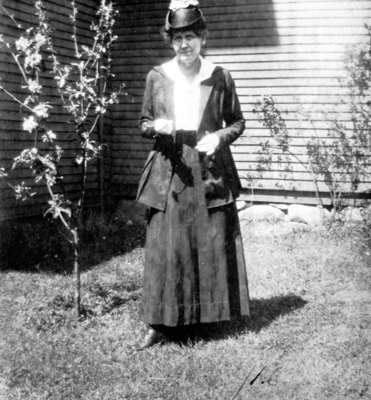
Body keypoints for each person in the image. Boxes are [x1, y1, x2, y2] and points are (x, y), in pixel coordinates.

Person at [135, 0, 250, 349]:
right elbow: (142, 124)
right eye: (177, 38)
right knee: (167, 246)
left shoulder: (219, 76)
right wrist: (156, 125)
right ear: (170, 41)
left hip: (209, 167)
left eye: (190, 37)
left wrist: (218, 136)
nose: (184, 45)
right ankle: (160, 324)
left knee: (211, 240)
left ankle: (210, 318)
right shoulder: (158, 76)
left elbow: (238, 122)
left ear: (202, 38)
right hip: (168, 168)